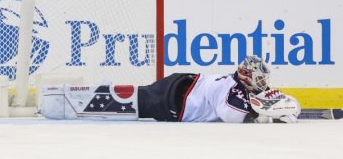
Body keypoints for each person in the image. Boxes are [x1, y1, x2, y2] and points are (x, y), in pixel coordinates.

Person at [39, 55, 301, 123]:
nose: (262, 84)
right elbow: (231, 114)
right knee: (134, 101)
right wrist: (262, 117)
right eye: (259, 78)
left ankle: (72, 98)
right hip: (175, 100)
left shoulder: (237, 85)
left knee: (137, 96)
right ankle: (69, 101)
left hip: (182, 86)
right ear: (247, 76)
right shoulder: (234, 90)